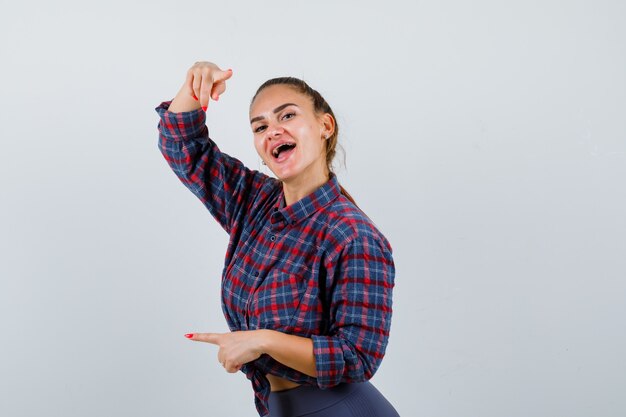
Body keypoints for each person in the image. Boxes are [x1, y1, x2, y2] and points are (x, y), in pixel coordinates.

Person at [155, 61, 399, 417]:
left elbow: (357, 357)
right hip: (277, 406)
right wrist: (194, 86)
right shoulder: (253, 201)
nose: (272, 130)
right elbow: (182, 147)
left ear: (324, 126)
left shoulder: (353, 236)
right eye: (260, 126)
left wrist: (262, 340)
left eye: (287, 116)